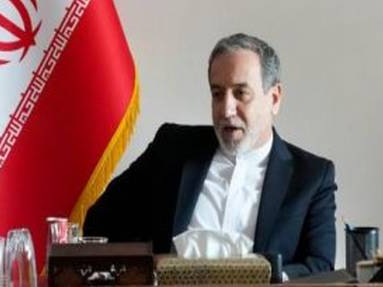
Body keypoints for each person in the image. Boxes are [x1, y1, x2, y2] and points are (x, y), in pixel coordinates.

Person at [84, 33, 336, 279]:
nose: (226, 109)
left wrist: (268, 277)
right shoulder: (172, 148)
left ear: (274, 98)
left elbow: (320, 265)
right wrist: (152, 264)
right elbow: (99, 223)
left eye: (241, 93)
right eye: (217, 94)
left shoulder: (312, 176)